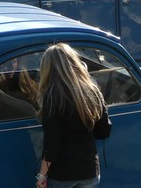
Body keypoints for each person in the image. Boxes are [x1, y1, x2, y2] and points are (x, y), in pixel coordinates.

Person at [35, 43, 111, 188]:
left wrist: (42, 175)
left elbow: (52, 145)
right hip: (89, 169)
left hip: (62, 173)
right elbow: (104, 130)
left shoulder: (52, 96)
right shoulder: (92, 91)